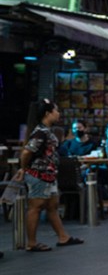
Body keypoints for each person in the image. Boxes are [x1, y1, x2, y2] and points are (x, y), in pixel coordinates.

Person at [13, 99, 84, 252]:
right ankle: (31, 243)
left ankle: (63, 237)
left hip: (49, 175)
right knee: (35, 207)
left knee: (52, 206)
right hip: (38, 175)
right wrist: (24, 168)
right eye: (56, 110)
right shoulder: (40, 132)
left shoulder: (46, 131)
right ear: (47, 113)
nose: (58, 113)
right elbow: (26, 152)